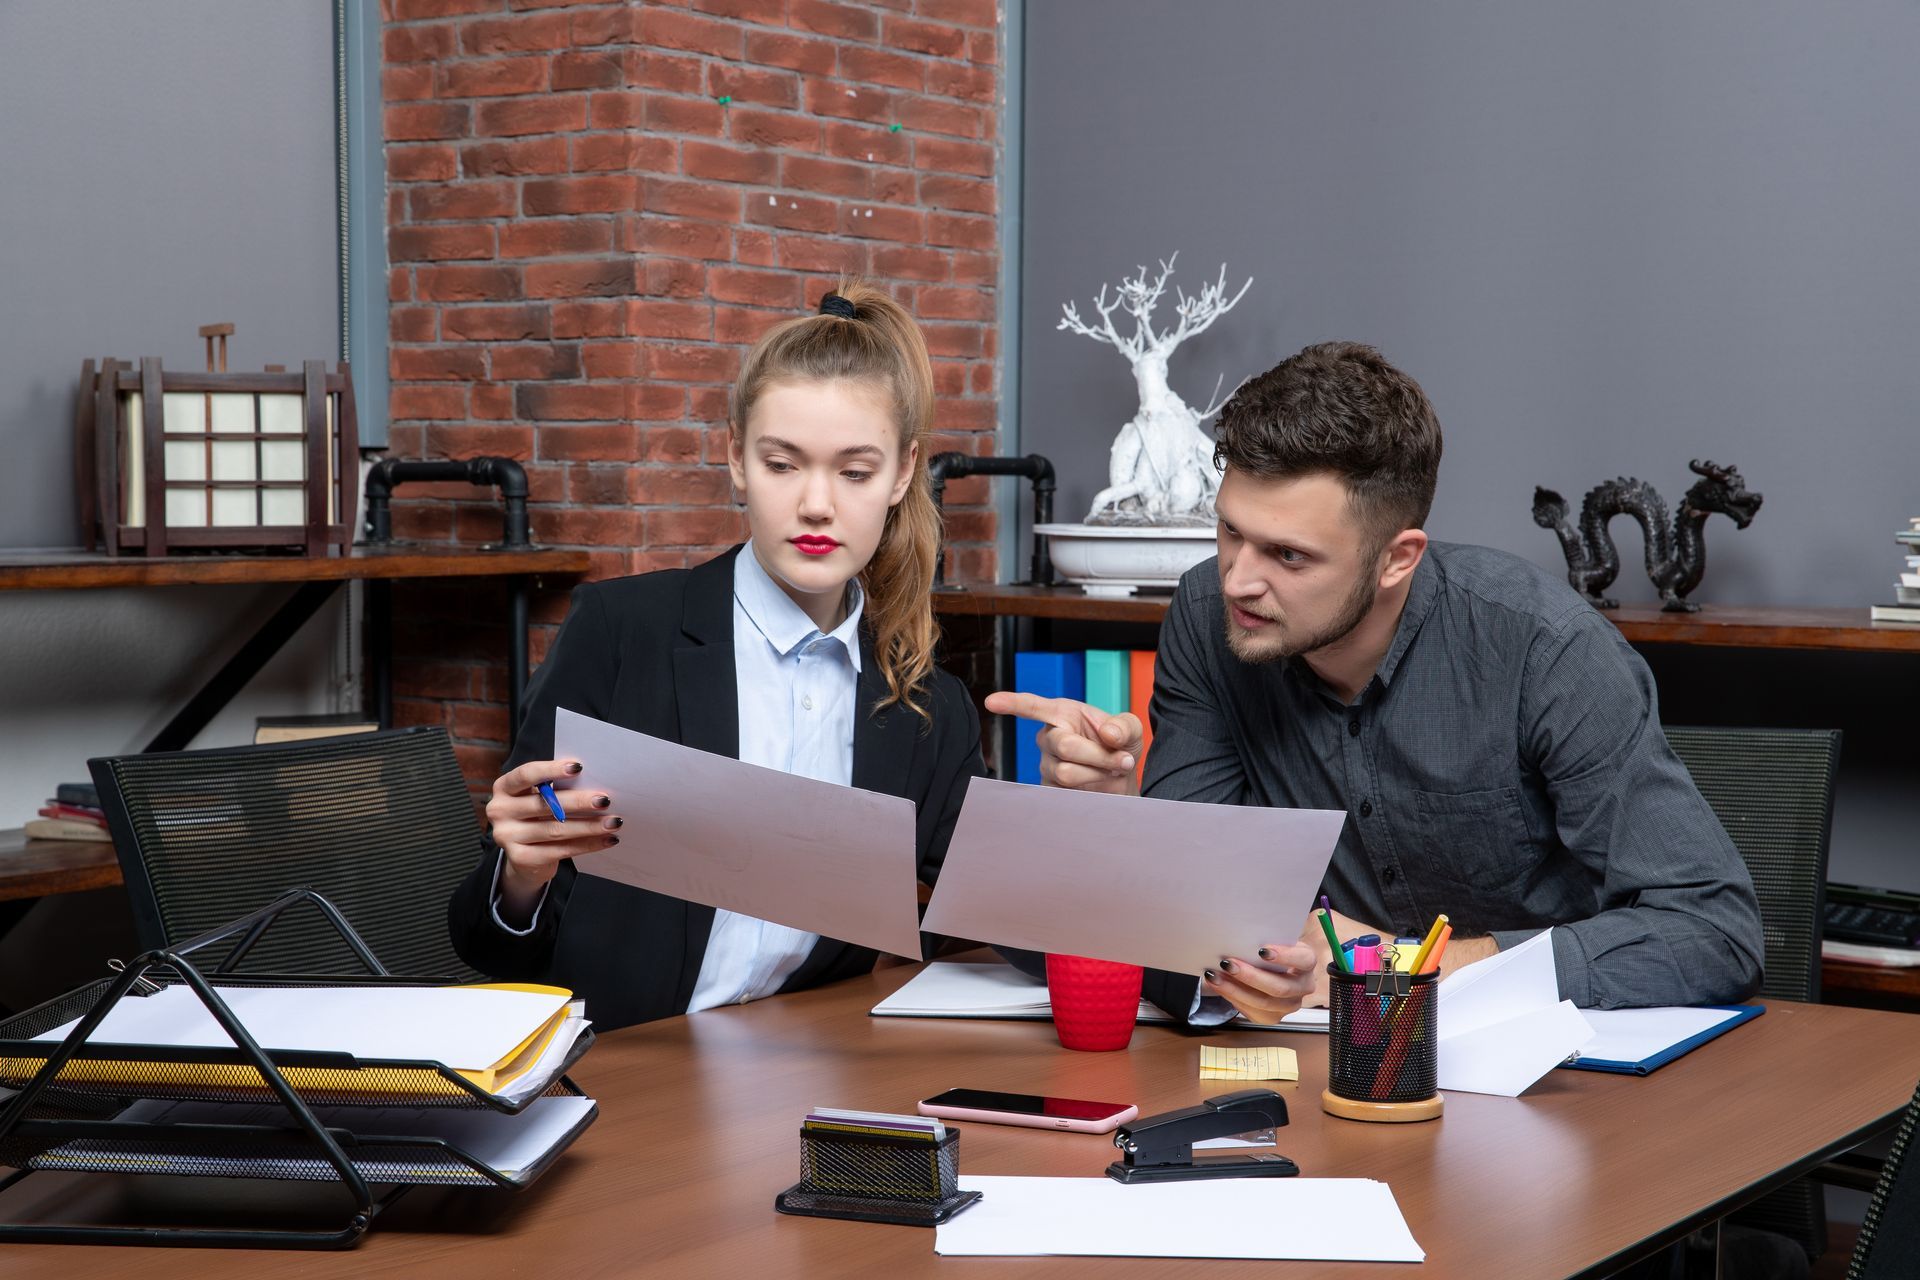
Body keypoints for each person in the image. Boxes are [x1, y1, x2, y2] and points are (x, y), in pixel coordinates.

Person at [987, 341, 1764, 1027]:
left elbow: (1713, 930)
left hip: (1543, 1086)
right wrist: (1110, 816)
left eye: (1289, 556)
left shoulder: (1543, 648)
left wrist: (1395, 969)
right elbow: (1193, 902)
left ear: (1398, 557)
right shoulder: (1206, 615)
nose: (1239, 581)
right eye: (1230, 531)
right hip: (1308, 1078)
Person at [448, 281, 983, 1030]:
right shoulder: (622, 632)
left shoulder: (926, 704)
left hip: (806, 1073)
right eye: (782, 464)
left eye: (855, 472)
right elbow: (484, 943)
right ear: (735, 458)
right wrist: (521, 875)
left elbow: (1012, 915)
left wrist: (1087, 799)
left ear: (902, 474)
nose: (817, 505)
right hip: (624, 1076)